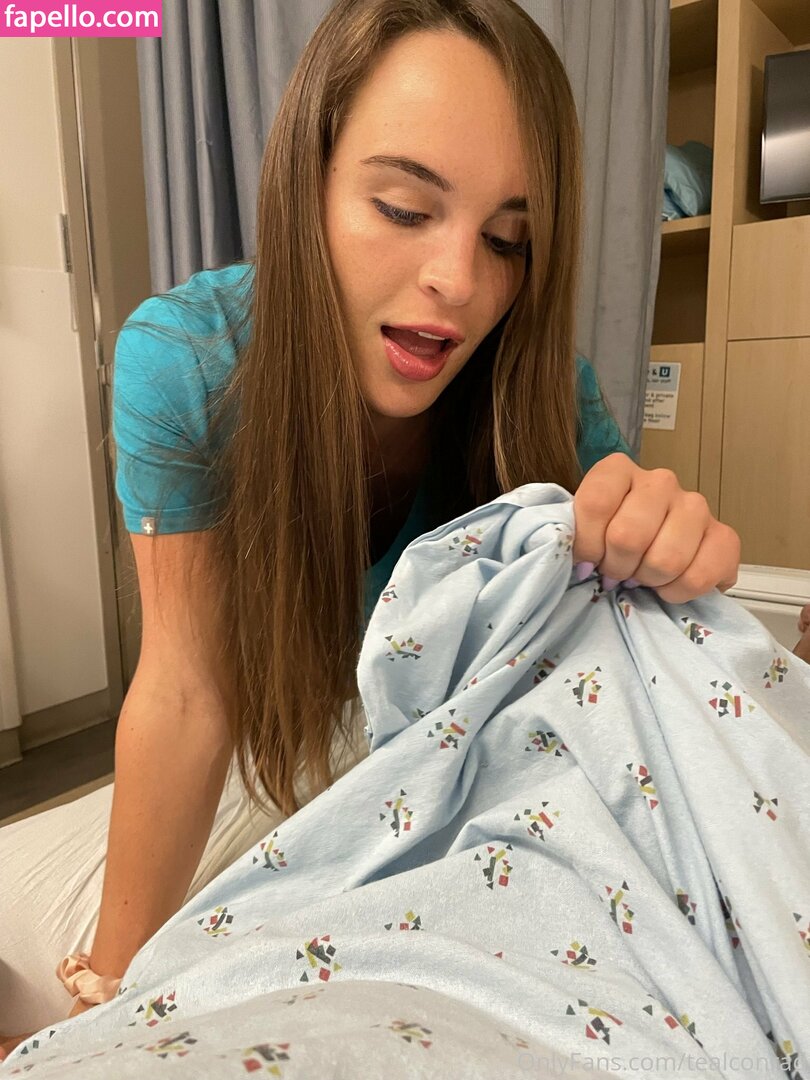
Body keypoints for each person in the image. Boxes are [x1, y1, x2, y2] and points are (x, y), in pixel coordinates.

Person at [0, 0, 741, 1059]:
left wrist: (673, 551)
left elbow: (627, 675)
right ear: (305, 185)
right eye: (403, 208)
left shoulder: (541, 395)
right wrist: (106, 998)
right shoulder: (190, 364)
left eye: (509, 238)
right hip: (300, 757)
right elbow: (186, 689)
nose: (460, 282)